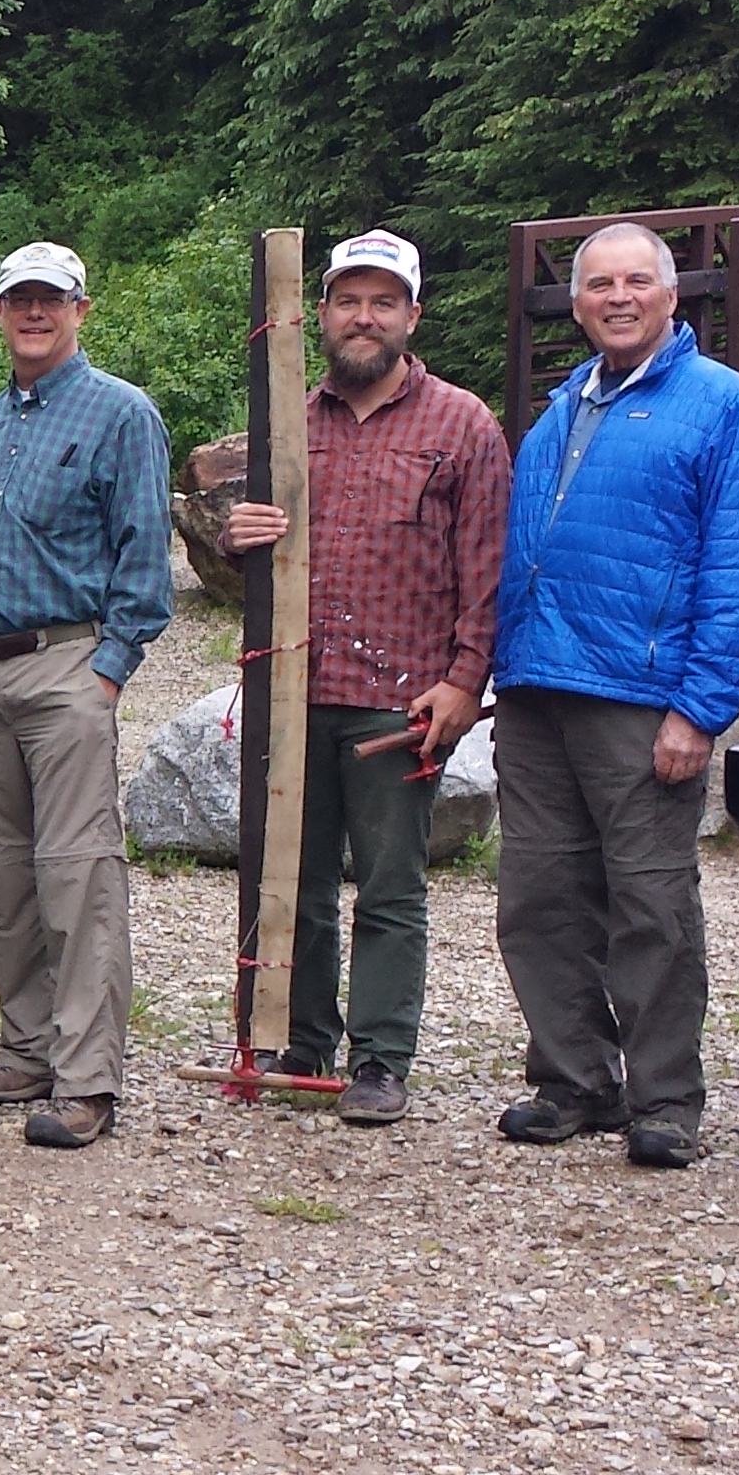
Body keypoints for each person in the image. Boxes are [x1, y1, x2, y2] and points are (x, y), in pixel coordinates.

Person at [490, 222, 739, 1170]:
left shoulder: (719, 405)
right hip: (538, 690)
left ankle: (664, 1099)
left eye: (637, 282)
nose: (619, 297)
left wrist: (702, 709)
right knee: (540, 900)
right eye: (600, 285)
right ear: (576, 305)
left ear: (670, 295)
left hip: (640, 698)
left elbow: (736, 568)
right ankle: (573, 1079)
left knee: (649, 903)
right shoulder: (563, 405)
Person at [216, 231, 509, 1127]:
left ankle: (381, 1059)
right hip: (298, 692)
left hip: (402, 698)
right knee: (292, 879)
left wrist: (464, 682)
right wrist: (240, 541)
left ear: (412, 316)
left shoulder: (463, 423)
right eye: (349, 299)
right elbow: (253, 560)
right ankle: (301, 1043)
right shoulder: (288, 423)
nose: (364, 317)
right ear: (324, 314)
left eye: (385, 301)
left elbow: (490, 567)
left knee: (390, 885)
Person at [0, 242, 176, 1149]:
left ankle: (87, 1079)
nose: (34, 313)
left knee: (78, 875)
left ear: (81, 309)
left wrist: (110, 664)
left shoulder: (122, 413)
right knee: (0, 877)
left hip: (67, 663)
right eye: (18, 300)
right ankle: (27, 1047)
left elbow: (144, 551)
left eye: (51, 300)